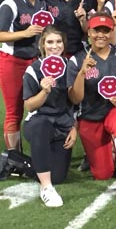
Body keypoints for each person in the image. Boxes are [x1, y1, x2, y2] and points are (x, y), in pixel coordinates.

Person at [67, 13, 116, 200]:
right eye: (97, 30)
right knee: (102, 174)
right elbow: (74, 99)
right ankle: (113, 154)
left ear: (111, 32)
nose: (101, 35)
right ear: (89, 32)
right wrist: (81, 73)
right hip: (90, 117)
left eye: (105, 31)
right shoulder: (77, 60)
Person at [23, 26, 77, 207]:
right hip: (39, 123)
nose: (55, 46)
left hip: (62, 124)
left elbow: (76, 101)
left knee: (59, 177)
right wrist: (44, 91)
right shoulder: (34, 69)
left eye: (59, 41)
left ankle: (16, 161)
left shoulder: (71, 66)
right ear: (43, 45)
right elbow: (29, 105)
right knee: (42, 125)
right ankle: (46, 188)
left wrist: (74, 127)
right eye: (50, 42)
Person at [0, 0, 47, 151]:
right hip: (13, 61)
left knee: (38, 108)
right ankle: (14, 157)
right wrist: (24, 34)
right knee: (14, 112)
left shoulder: (42, 3)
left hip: (34, 62)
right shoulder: (11, 3)